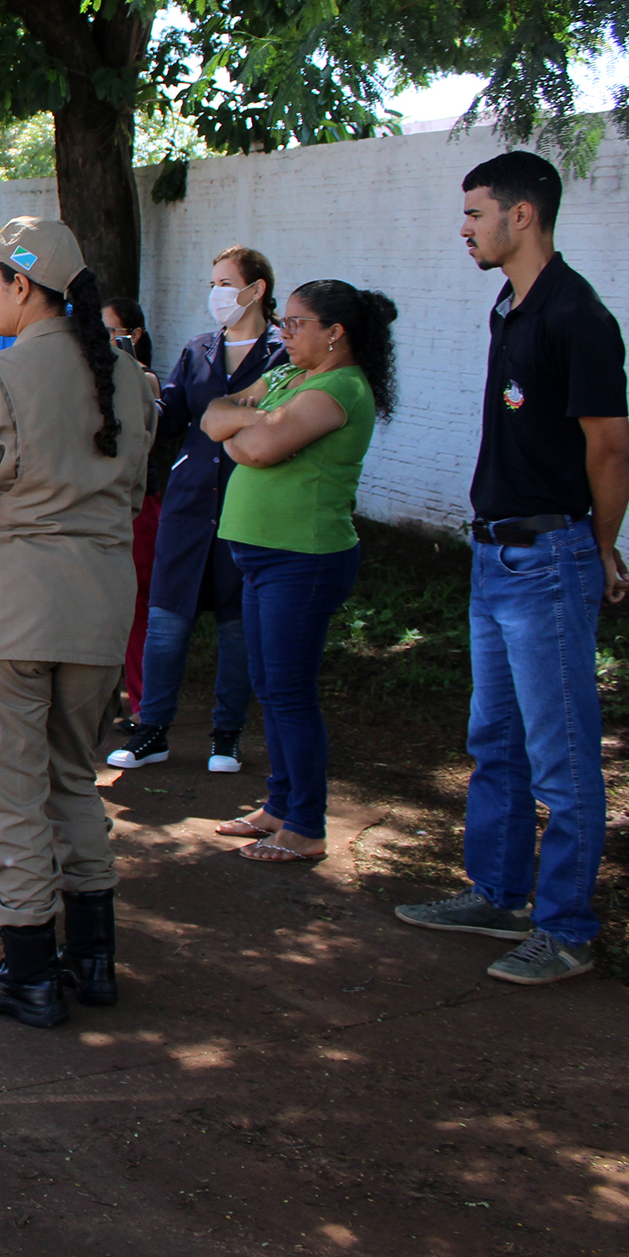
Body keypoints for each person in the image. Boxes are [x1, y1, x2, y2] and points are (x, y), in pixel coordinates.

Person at [395, 151, 629, 987]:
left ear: (521, 215)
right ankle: (497, 892)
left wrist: (599, 548)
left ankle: (565, 928)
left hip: (549, 557)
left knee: (562, 751)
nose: (464, 229)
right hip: (497, 554)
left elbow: (609, 444)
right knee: (494, 738)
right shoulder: (511, 307)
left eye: (474, 213)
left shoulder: (577, 315)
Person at [0, 217, 154, 1029]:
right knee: (71, 780)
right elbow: (130, 491)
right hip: (98, 608)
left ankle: (27, 972)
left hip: (9, 612)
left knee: (10, 794)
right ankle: (91, 960)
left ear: (24, 285)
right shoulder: (132, 380)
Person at [206, 278, 396, 868]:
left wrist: (247, 430)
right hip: (263, 554)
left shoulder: (340, 387)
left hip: (304, 559)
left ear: (334, 332)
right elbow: (215, 415)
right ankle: (279, 806)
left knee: (289, 692)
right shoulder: (292, 378)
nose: (283, 333)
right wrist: (248, 427)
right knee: (270, 686)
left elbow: (256, 448)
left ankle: (307, 825)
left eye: (295, 323)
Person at [110, 246, 281, 772]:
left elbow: (273, 420)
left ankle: (226, 735)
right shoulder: (199, 349)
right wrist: (134, 387)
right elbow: (171, 412)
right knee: (165, 621)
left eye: (226, 283)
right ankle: (152, 730)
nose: (216, 295)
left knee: (236, 627)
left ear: (256, 290)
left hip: (246, 505)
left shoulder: (282, 355)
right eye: (212, 283)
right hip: (187, 505)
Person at [102, 297, 165, 736]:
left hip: (140, 505)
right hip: (102, 506)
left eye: (111, 332)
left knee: (137, 606)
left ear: (134, 337)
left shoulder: (145, 381)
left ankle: (146, 706)